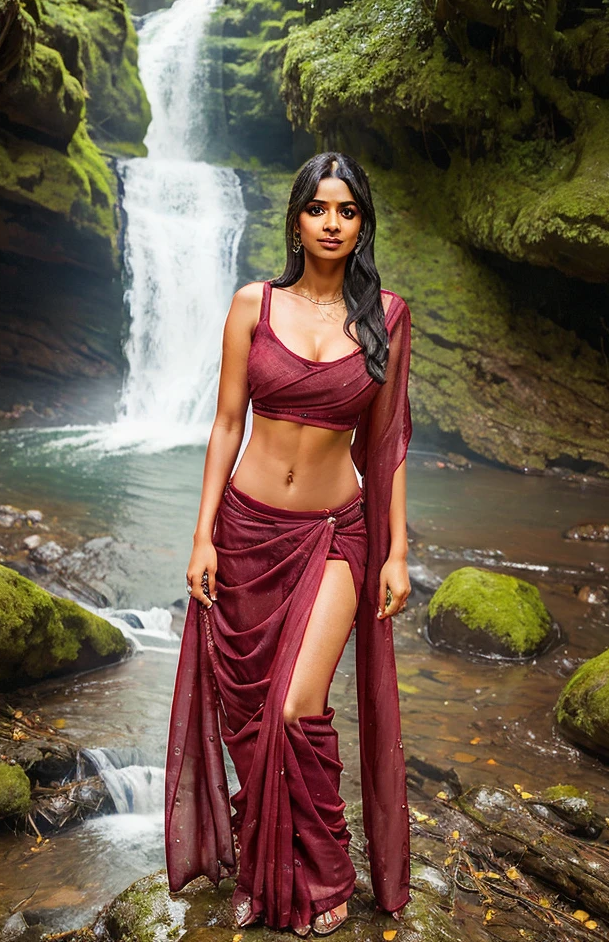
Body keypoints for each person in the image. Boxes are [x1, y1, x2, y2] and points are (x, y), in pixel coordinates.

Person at [165, 151, 413, 937]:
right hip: (244, 531)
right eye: (319, 209)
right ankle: (270, 868)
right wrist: (202, 534)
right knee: (247, 711)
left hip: (338, 532)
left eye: (347, 211)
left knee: (297, 707)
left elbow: (388, 446)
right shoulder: (253, 305)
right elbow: (226, 424)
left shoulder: (388, 318)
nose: (332, 223)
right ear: (297, 219)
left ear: (362, 223)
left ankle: (327, 874)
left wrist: (397, 550)